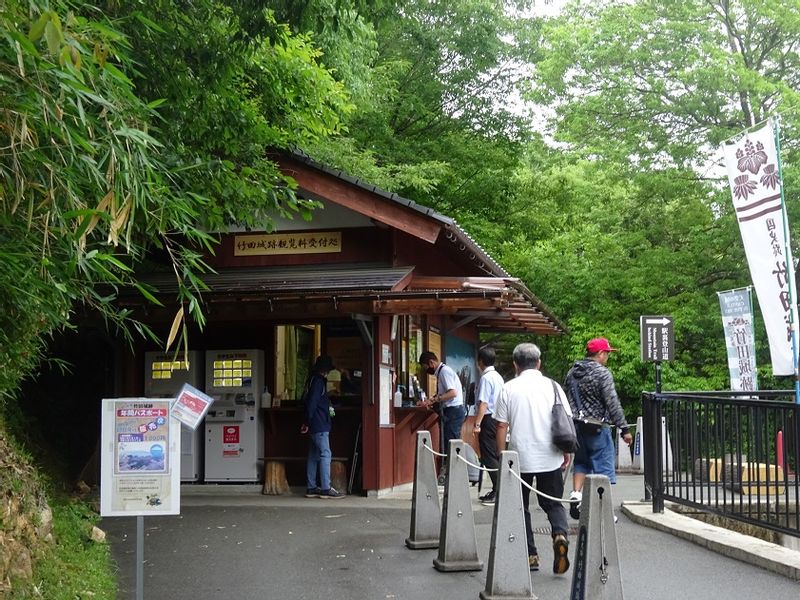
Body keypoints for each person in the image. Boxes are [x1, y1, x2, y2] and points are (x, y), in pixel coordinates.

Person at [494, 343, 571, 575]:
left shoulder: (509, 388)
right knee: (553, 502)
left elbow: (501, 425)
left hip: (520, 458)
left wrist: (502, 455)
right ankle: (559, 534)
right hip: (550, 455)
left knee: (521, 506)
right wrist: (565, 451)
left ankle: (530, 555)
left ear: (515, 364)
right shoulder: (554, 386)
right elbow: (565, 420)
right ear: (539, 363)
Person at [563, 337, 632, 519]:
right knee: (603, 469)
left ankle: (576, 495)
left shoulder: (572, 373)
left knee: (581, 462)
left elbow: (565, 399)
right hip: (597, 428)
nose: (608, 357)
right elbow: (612, 402)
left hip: (575, 427)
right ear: (600, 354)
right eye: (607, 353)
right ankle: (604, 512)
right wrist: (624, 429)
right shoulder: (602, 373)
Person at [300, 355, 345, 499]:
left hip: (313, 423)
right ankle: (326, 488)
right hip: (319, 423)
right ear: (324, 370)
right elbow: (313, 403)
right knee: (326, 454)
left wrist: (306, 422)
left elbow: (310, 402)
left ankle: (311, 487)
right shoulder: (319, 382)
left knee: (313, 455)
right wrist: (307, 421)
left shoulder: (311, 380)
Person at [417, 351, 465, 481]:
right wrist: (430, 400)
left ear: (431, 363)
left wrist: (435, 399)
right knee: (448, 442)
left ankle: (453, 475)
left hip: (453, 411)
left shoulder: (444, 372)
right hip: (451, 411)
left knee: (451, 443)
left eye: (426, 368)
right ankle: (450, 473)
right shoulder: (442, 372)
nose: (426, 371)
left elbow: (452, 393)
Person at [473, 346, 504, 506]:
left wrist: (477, 424)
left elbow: (484, 403)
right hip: (499, 418)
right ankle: (497, 488)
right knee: (495, 453)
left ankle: (498, 489)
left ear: (480, 361)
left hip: (488, 418)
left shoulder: (486, 378)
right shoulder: (498, 377)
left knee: (488, 455)